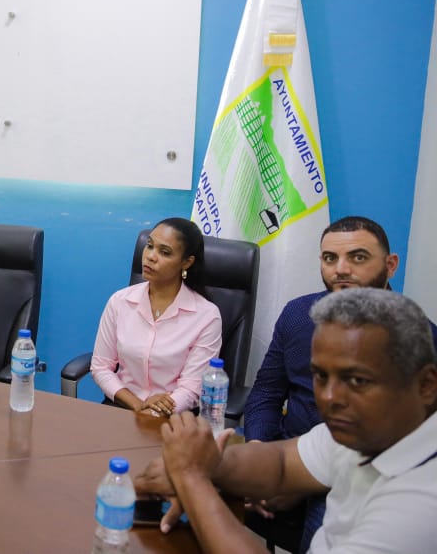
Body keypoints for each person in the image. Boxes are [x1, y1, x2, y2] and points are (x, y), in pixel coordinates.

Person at [134, 288, 437, 554]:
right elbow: (280, 463)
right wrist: (208, 465)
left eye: (357, 380)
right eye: (321, 376)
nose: (329, 397)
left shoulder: (423, 502)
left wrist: (192, 479)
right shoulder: (368, 429)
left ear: (426, 385)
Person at [243, 216, 437, 551]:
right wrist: (258, 447)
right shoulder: (297, 314)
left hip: (355, 472)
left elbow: (403, 447)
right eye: (330, 258)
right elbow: (267, 391)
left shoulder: (419, 338)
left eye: (358, 257)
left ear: (390, 265)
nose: (341, 270)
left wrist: (301, 482)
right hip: (289, 452)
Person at [90, 217, 222, 416]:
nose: (151, 256)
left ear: (186, 262)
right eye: (149, 246)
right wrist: (138, 405)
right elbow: (101, 367)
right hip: (123, 407)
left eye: (165, 252)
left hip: (174, 416)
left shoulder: (206, 316)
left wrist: (154, 412)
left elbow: (192, 388)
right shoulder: (120, 302)